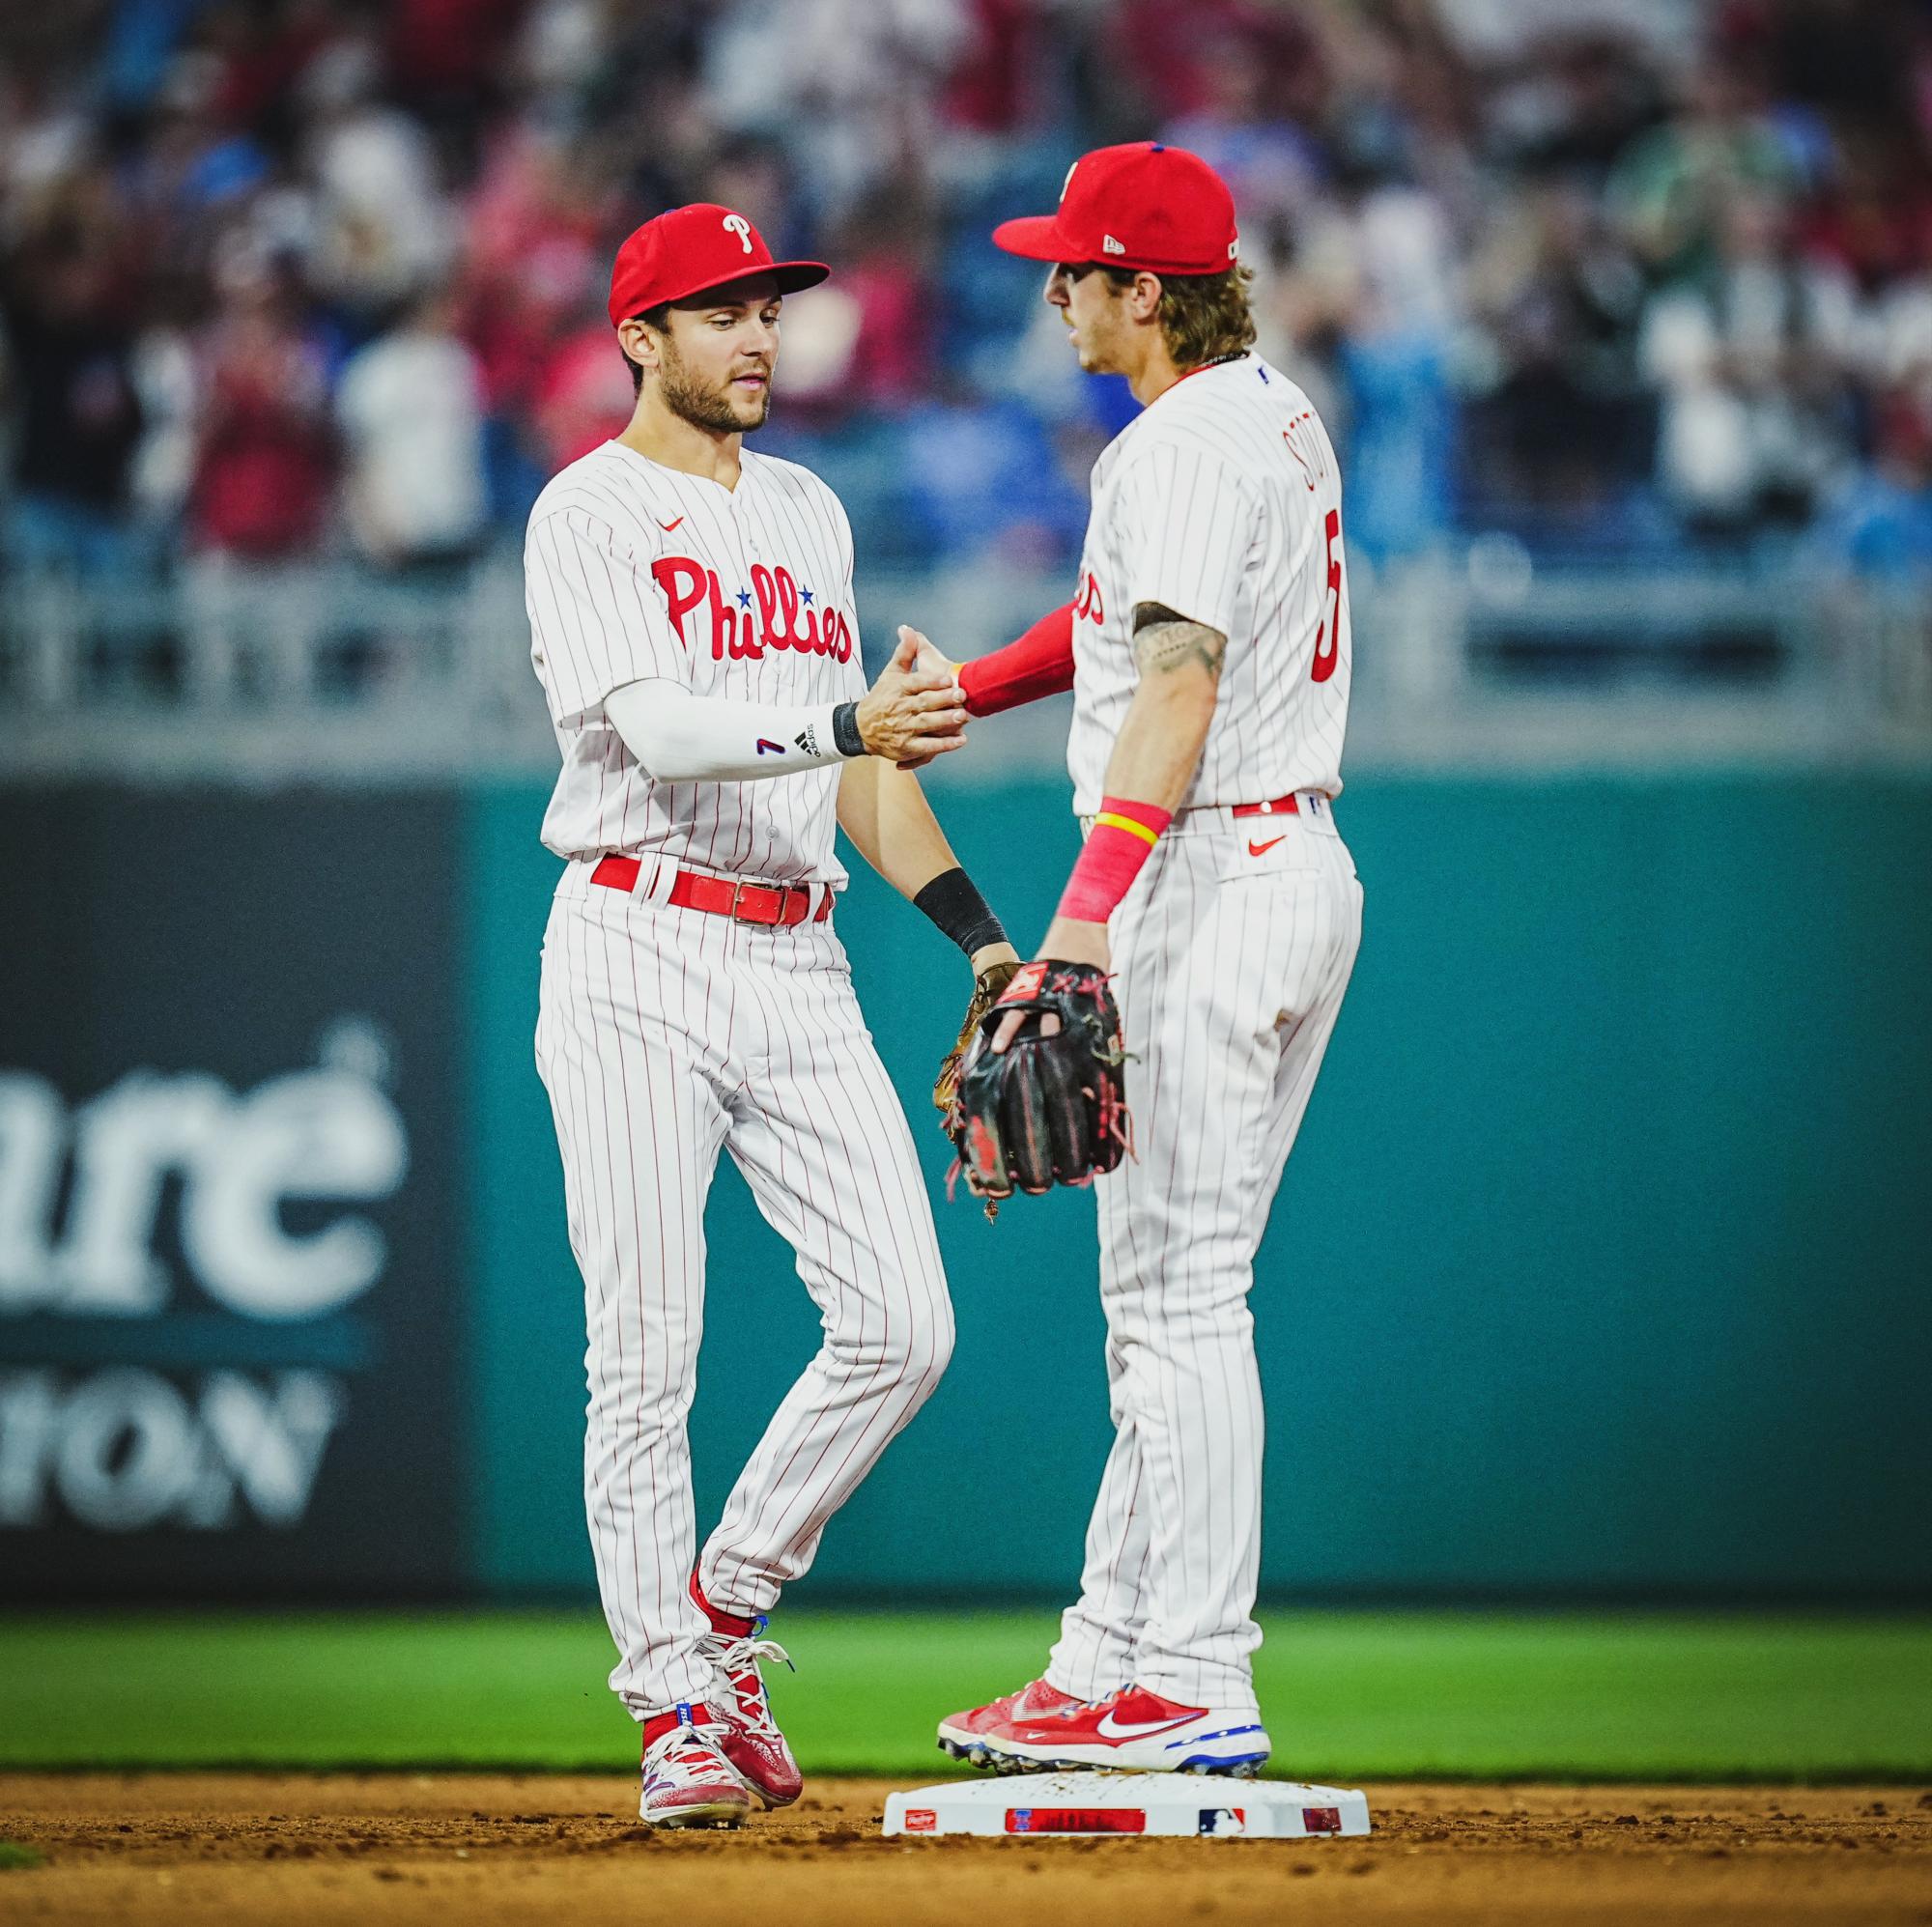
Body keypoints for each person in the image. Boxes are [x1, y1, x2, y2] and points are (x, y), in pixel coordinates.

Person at [524, 203, 1017, 1828]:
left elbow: (859, 769)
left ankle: (724, 1611)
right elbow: (665, 734)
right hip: (635, 943)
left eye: (769, 307)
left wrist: (978, 939)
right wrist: (842, 714)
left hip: (795, 952)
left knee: (905, 1323)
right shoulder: (586, 511)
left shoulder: (808, 510)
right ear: (638, 339)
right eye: (718, 309)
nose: (756, 333)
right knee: (646, 1347)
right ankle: (669, 1703)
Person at [932, 143, 1364, 1775]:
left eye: (1079, 269)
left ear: (1149, 289)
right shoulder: (1269, 411)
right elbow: (1127, 625)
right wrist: (969, 692)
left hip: (1204, 872)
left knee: (1178, 1303)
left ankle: (1192, 1672)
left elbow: (1175, 686)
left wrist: (1086, 916)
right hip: (1287, 862)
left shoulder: (1176, 440)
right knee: (1172, 1298)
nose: (1055, 290)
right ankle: (1107, 1652)